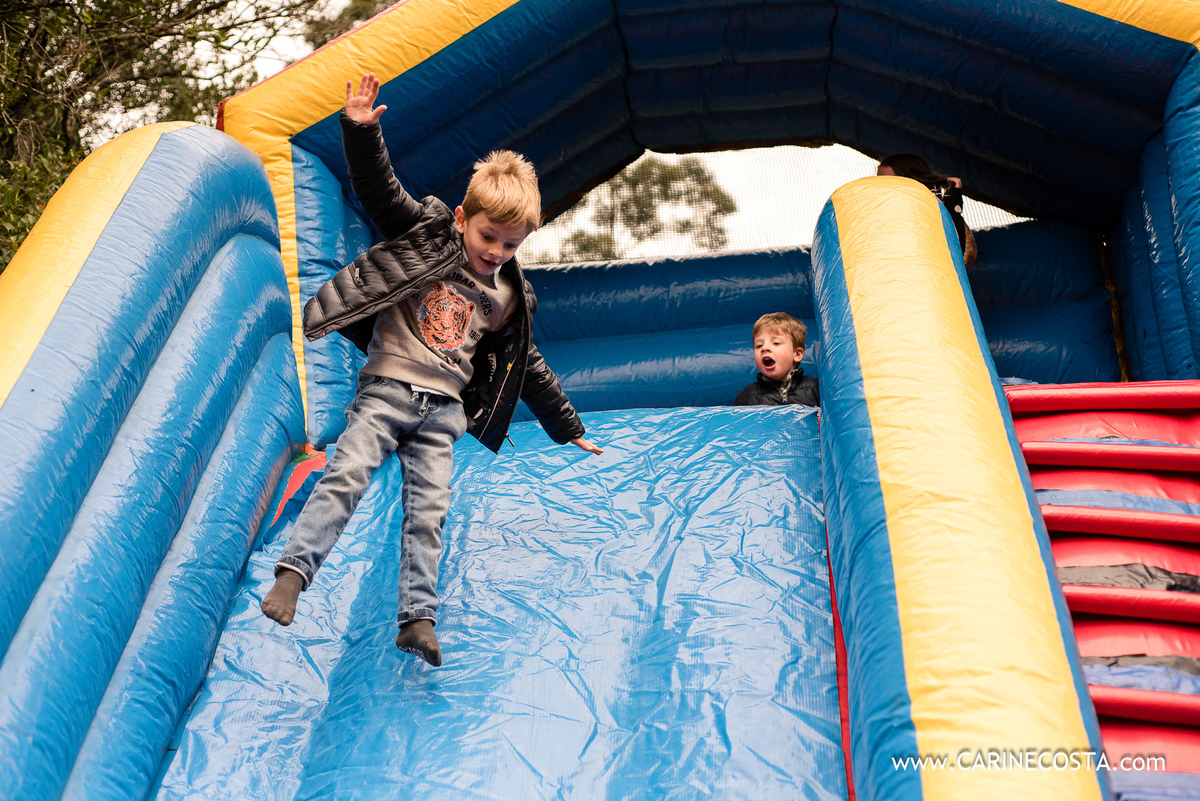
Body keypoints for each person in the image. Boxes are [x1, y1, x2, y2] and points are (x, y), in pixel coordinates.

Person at [260, 73, 603, 667]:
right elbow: (380, 192)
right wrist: (362, 131)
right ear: (464, 217)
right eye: (488, 236)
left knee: (430, 512)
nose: (495, 251)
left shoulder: (507, 296)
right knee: (348, 475)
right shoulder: (429, 234)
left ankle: (417, 618)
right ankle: (293, 573)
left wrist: (565, 425)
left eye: (510, 245)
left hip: (443, 411)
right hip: (389, 388)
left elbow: (530, 365)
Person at [876, 153, 978, 269]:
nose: (881, 188)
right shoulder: (877, 214)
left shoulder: (931, 211)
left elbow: (960, 255)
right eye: (878, 182)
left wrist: (953, 209)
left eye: (889, 183)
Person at [734, 312, 819, 407]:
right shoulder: (748, 396)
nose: (764, 348)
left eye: (776, 343)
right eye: (759, 345)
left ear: (797, 354)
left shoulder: (815, 389)